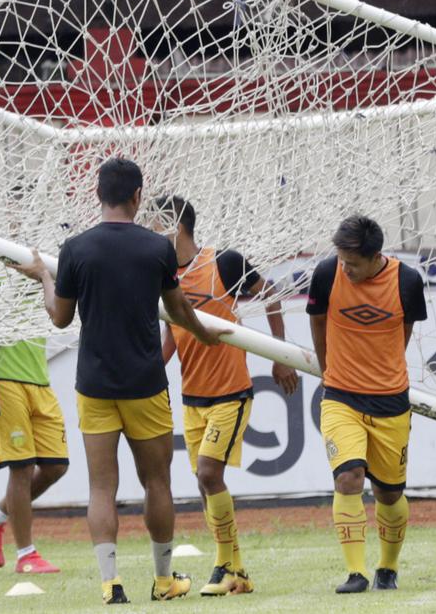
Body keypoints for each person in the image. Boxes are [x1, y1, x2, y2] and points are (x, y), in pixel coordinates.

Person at [13, 158, 229, 604]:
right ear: (137, 197)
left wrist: (44, 279)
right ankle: (165, 580)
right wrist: (206, 336)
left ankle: (111, 584)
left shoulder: (75, 248)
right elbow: (180, 310)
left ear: (98, 196)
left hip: (94, 384)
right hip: (146, 383)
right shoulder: (157, 248)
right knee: (157, 483)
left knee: (100, 488)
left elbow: (59, 318)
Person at [150, 195, 300, 596]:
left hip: (230, 393)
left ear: (174, 226)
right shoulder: (164, 274)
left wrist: (281, 355)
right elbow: (172, 333)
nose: (147, 231)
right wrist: (147, 371)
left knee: (208, 474)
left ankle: (221, 567)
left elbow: (269, 293)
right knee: (204, 483)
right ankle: (239, 573)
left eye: (152, 223)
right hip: (192, 397)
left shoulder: (225, 262)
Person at [307, 215, 426, 594]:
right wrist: (330, 371)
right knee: (348, 478)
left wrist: (381, 372)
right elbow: (318, 321)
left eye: (353, 263)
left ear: (376, 257)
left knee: (389, 494)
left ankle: (387, 568)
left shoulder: (407, 282)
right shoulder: (327, 274)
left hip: (391, 402)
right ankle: (355, 573)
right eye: (341, 260)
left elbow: (403, 334)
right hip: (340, 397)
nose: (345, 268)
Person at [0, 334, 69, 574]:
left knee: (56, 466)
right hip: (1, 377)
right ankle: (26, 555)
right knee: (21, 468)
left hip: (38, 377)